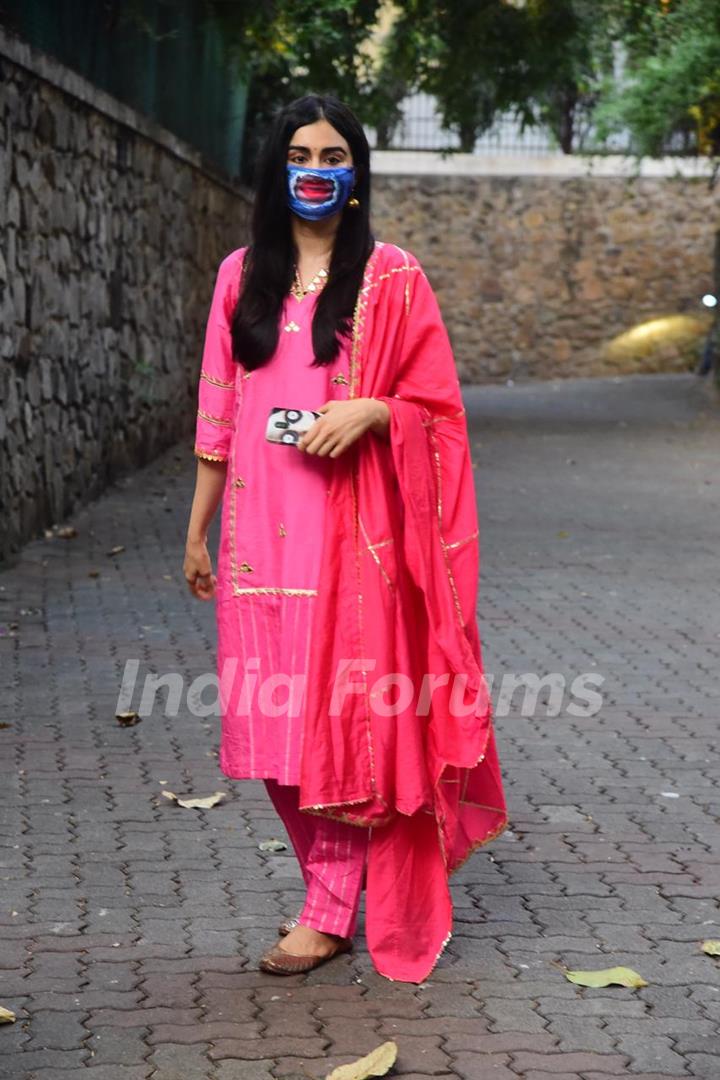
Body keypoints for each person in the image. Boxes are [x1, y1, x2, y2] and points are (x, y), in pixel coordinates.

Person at [183, 93, 507, 983]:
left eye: (333, 156)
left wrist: (373, 409)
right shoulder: (238, 275)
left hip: (348, 541)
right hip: (256, 541)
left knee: (341, 726)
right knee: (273, 738)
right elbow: (219, 409)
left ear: (356, 174)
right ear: (276, 169)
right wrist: (197, 531)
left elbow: (438, 411)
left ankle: (326, 909)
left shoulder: (392, 277)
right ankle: (333, 884)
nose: (316, 171)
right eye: (300, 155)